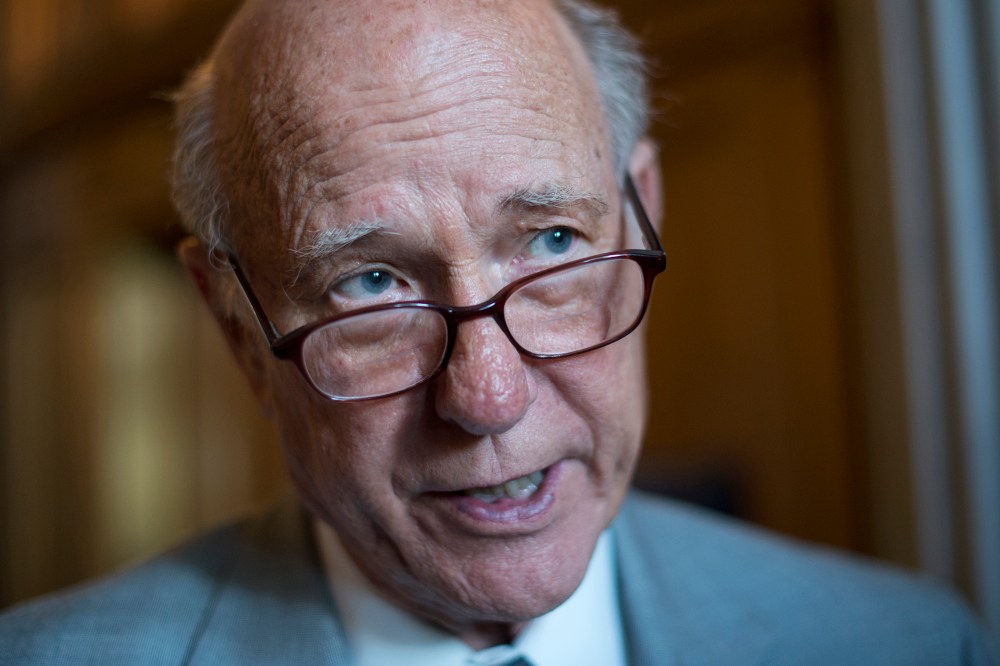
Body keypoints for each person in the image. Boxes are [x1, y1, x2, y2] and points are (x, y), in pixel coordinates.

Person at [1, 0, 996, 663]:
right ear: (237, 329)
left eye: (553, 241)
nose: (488, 396)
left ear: (640, 212)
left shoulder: (904, 641)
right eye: (371, 283)